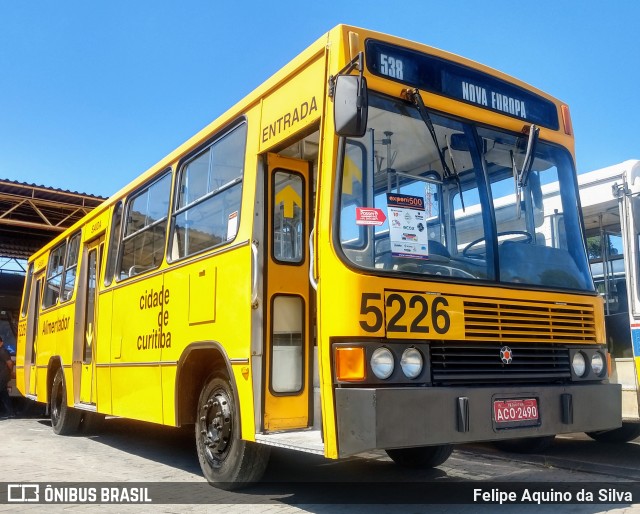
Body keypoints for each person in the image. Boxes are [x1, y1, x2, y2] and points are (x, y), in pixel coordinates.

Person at [0, 336, 15, 419]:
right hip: (2, 376)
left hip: (3, 376)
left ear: (1, 343)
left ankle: (10, 412)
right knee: (4, 394)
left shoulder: (3, 351)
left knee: (4, 394)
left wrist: (11, 372)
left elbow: (10, 363)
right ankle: (10, 412)